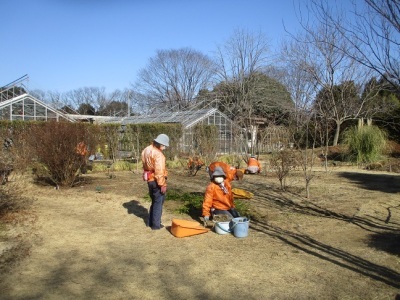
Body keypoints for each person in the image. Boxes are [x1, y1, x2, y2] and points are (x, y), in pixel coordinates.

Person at [141, 134, 169, 230]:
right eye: (164, 145)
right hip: (157, 180)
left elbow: (144, 165)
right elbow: (159, 171)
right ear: (160, 144)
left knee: (154, 201)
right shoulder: (158, 154)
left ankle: (150, 222)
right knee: (158, 202)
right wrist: (162, 184)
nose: (164, 147)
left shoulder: (146, 150)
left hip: (150, 179)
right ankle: (156, 225)